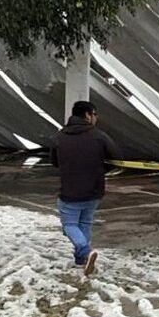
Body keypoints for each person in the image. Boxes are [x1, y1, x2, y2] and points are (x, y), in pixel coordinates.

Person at [50, 101, 121, 276]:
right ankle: (81, 260)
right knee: (85, 223)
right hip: (94, 191)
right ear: (88, 115)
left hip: (70, 190)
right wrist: (100, 170)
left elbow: (54, 162)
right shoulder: (99, 136)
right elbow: (117, 157)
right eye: (95, 114)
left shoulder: (58, 137)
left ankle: (85, 252)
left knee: (70, 224)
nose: (96, 118)